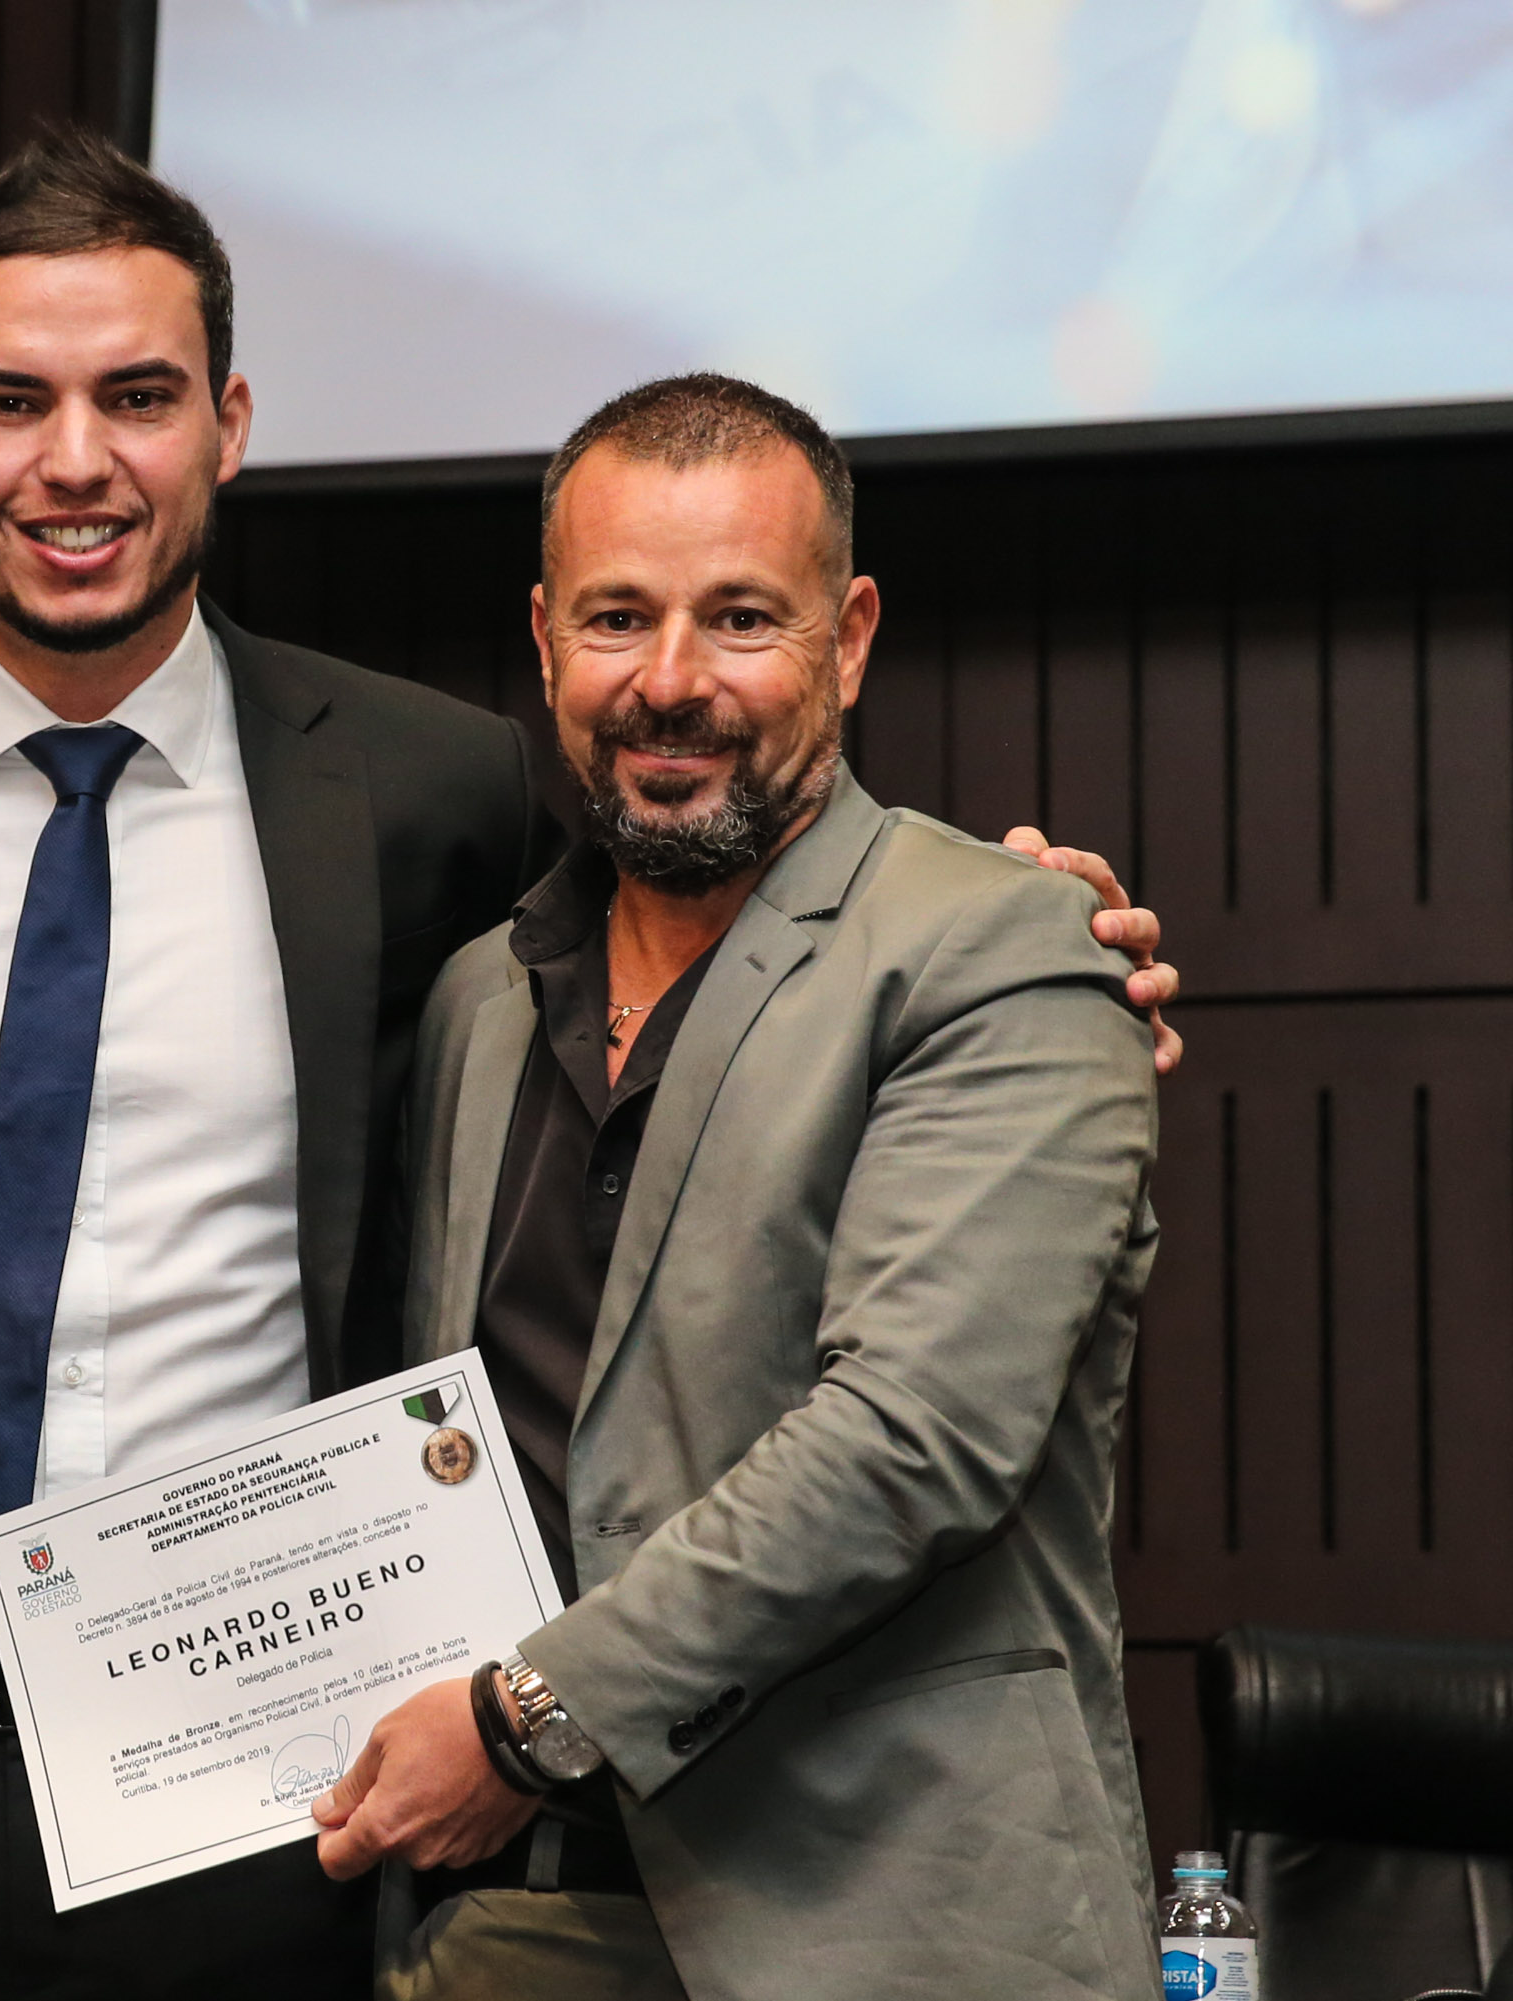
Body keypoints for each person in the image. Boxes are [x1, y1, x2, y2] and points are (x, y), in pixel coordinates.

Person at [0, 135, 1173, 2001]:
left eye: (138, 396)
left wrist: (1026, 927)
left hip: (270, 1796)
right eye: (9, 402)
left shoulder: (419, 793)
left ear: (230, 421)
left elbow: (750, 937)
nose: (74, 461)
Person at [310, 375, 1161, 2000]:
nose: (673, 682)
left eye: (742, 618)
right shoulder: (478, 1000)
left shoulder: (999, 947)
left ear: (846, 639)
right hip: (506, 1922)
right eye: (619, 616)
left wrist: (522, 1716)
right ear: (547, 640)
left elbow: (911, 1444)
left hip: (890, 1929)